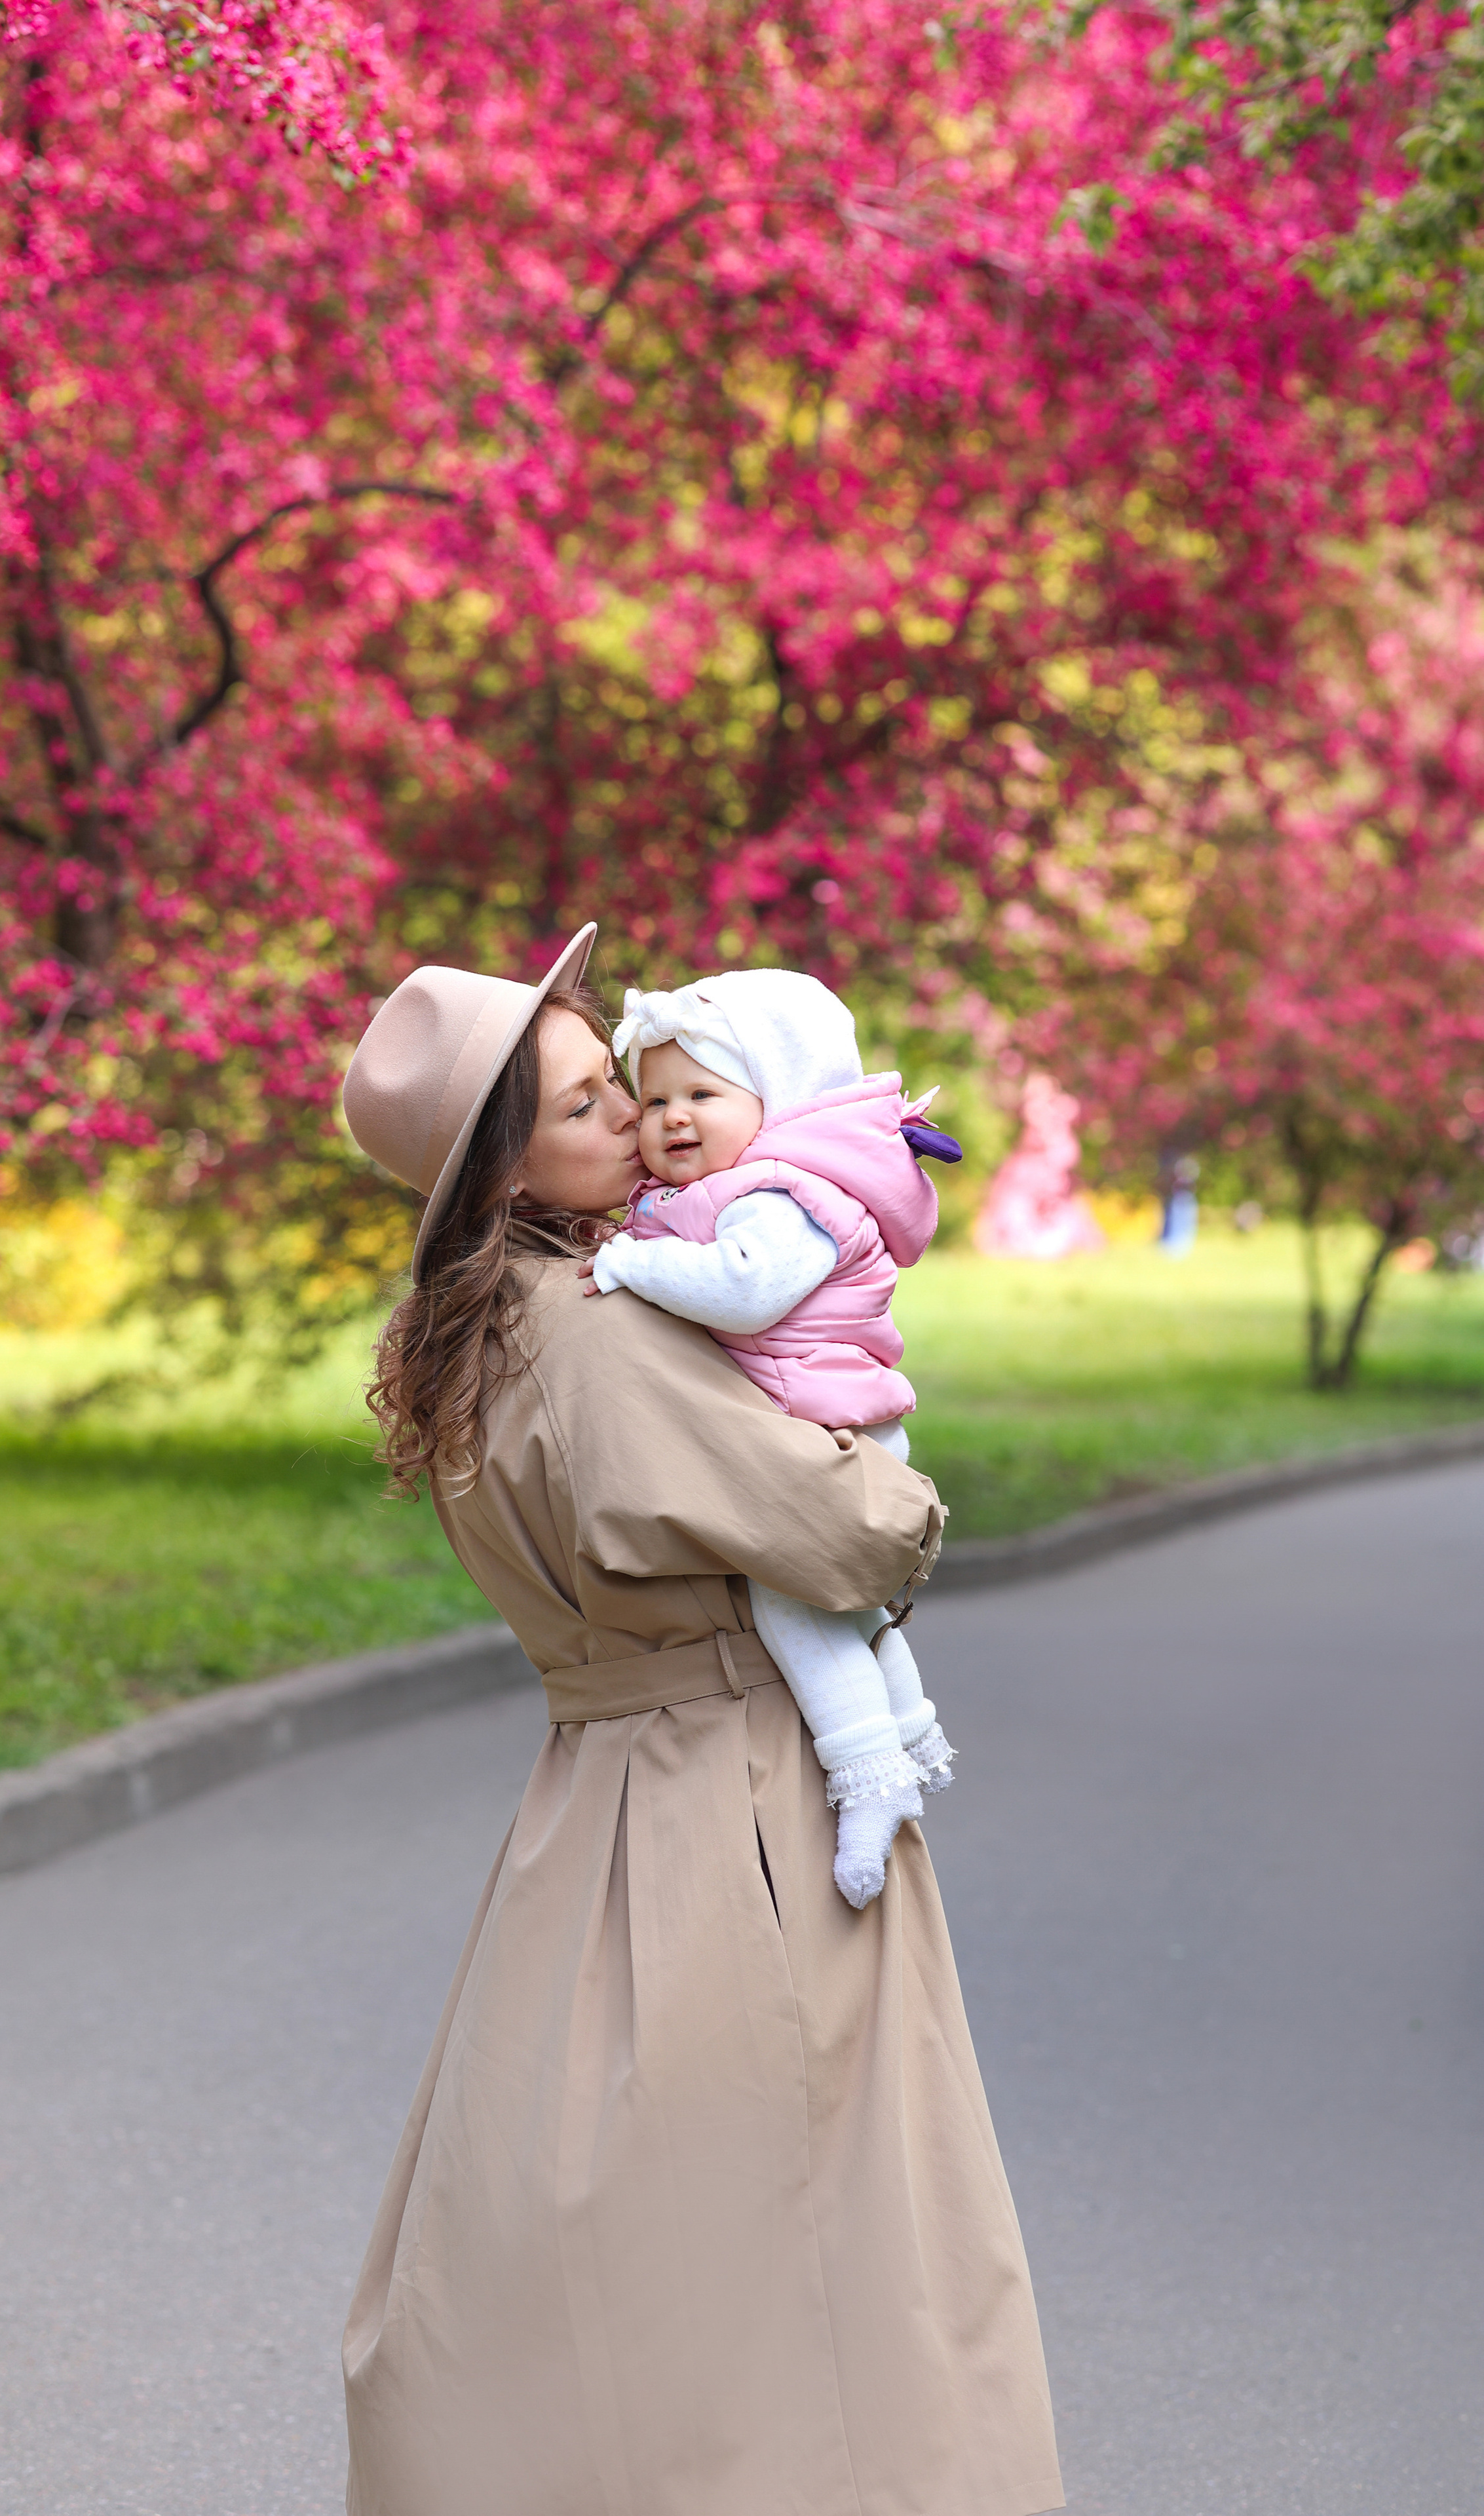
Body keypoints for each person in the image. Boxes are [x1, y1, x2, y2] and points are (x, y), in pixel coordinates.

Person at [338, 922, 1063, 2516]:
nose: (634, 1120)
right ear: (505, 1174)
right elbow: (847, 1533)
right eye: (585, 1103)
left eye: (618, 1081)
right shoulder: (603, 1328)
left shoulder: (482, 1334)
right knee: (818, 2238)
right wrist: (889, 1481)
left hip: (587, 1792)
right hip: (728, 1787)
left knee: (602, 2228)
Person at [584, 969, 957, 1912]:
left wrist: (634, 1262)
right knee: (852, 1607)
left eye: (703, 1095)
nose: (672, 1118)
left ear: (776, 1098)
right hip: (824, 1417)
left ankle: (868, 1776)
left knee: (793, 1603)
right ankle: (909, 1732)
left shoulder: (781, 1197)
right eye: (656, 1097)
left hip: (824, 1424)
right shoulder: (736, 1184)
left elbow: (746, 1289)